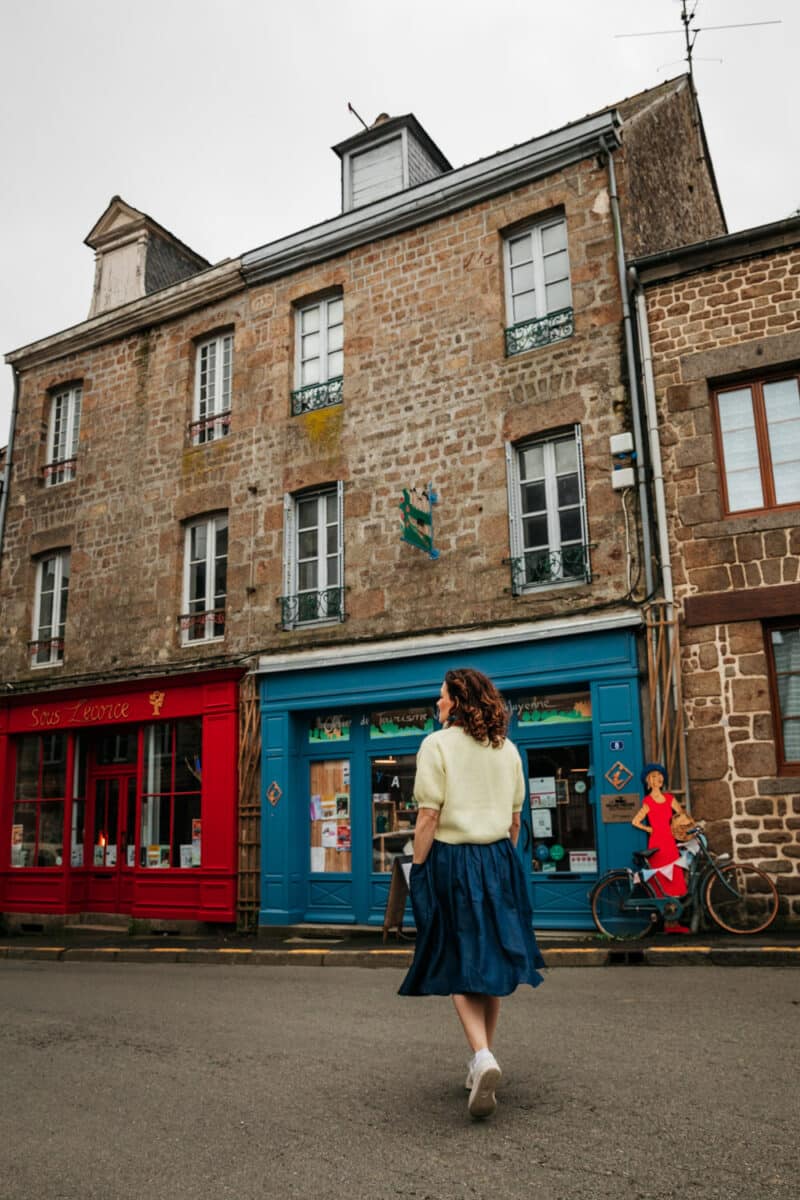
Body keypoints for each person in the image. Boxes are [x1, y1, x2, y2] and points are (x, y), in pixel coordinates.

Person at [398, 667, 545, 1120]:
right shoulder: (509, 750)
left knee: (455, 951)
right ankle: (484, 1055)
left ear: (457, 701)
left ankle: (482, 1058)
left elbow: (428, 816)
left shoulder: (436, 745)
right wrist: (504, 859)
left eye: (441, 696)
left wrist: (418, 867)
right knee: (494, 956)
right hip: (500, 858)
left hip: (453, 859)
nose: (437, 703)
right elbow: (517, 820)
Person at [631, 763, 691, 932]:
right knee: (661, 880)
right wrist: (651, 829)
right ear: (648, 781)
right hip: (657, 843)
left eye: (659, 776)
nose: (657, 779)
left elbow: (681, 816)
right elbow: (635, 821)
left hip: (669, 841)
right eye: (653, 777)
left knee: (674, 877)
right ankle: (667, 921)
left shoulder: (670, 799)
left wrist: (683, 827)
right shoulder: (647, 801)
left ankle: (672, 923)